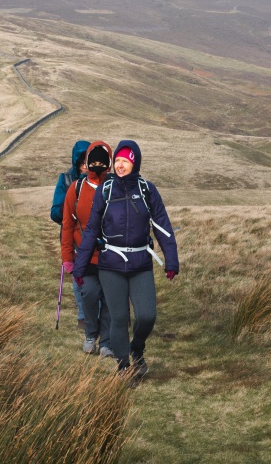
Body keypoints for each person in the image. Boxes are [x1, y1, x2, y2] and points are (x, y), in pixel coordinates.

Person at [74, 140, 179, 379]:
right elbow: (91, 229)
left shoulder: (147, 190)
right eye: (118, 161)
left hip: (140, 264)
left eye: (126, 161)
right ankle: (123, 365)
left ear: (135, 163)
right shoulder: (106, 190)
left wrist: (171, 260)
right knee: (119, 318)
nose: (120, 166)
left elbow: (162, 226)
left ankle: (137, 348)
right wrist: (80, 266)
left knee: (146, 316)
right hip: (110, 265)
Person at [61, 141, 114, 357]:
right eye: (94, 161)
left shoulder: (115, 186)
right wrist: (68, 257)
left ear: (109, 163)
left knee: (111, 299)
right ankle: (91, 334)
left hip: (113, 257)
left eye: (103, 161)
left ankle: (107, 342)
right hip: (85, 257)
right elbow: (67, 225)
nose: (98, 166)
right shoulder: (76, 188)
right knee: (90, 295)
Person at [52, 140, 90, 330]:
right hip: (73, 239)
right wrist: (69, 208)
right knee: (78, 277)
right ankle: (84, 318)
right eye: (81, 161)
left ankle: (97, 316)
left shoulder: (101, 181)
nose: (84, 165)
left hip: (94, 237)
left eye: (88, 160)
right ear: (75, 162)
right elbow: (55, 212)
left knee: (97, 277)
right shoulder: (66, 180)